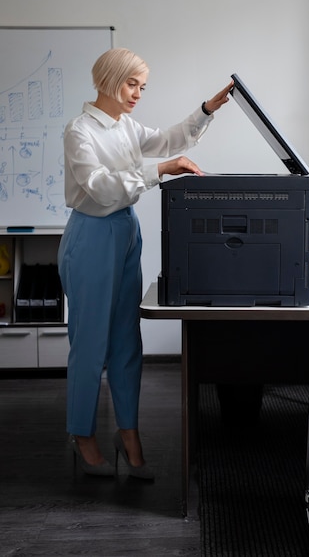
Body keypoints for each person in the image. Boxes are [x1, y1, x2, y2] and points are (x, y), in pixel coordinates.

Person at [58, 47, 233, 478]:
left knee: (126, 341)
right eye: (132, 83)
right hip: (92, 235)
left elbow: (170, 140)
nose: (138, 93)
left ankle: (128, 432)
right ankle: (82, 435)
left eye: (143, 86)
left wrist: (207, 109)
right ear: (108, 79)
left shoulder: (126, 126)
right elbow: (99, 189)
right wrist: (160, 172)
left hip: (126, 231)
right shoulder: (79, 131)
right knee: (90, 344)